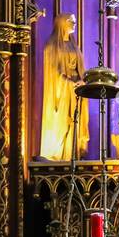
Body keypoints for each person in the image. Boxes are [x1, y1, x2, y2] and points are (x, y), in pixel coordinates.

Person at [40, 13, 91, 161]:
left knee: (76, 122)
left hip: (77, 90)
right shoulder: (51, 46)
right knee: (63, 123)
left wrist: (83, 80)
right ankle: (60, 155)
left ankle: (73, 154)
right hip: (62, 91)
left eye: (75, 21)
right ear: (62, 23)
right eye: (71, 21)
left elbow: (80, 68)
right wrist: (68, 83)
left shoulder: (74, 45)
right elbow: (52, 72)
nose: (74, 24)